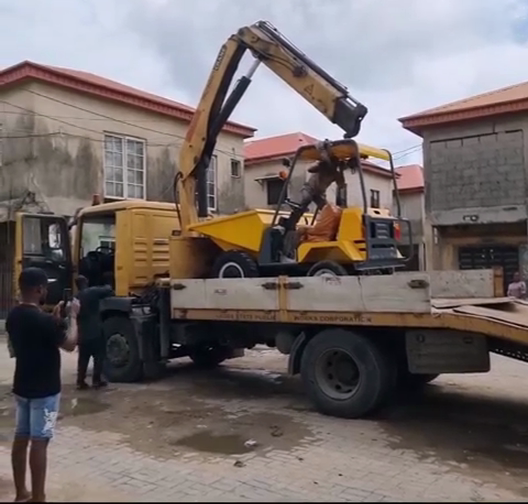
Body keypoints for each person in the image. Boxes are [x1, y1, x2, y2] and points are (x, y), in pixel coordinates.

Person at [7, 267, 79, 503]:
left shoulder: (14, 316)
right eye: (44, 287)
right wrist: (73, 318)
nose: (46, 290)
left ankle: (21, 493)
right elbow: (69, 344)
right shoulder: (44, 321)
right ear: (39, 290)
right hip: (46, 393)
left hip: (22, 388)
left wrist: (55, 320)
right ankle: (39, 497)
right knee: (40, 441)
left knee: (21, 438)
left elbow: (26, 342)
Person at [75, 274, 114, 390]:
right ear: (86, 282)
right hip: (95, 331)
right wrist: (108, 281)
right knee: (99, 357)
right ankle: (96, 381)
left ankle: (80, 381)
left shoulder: (76, 297)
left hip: (82, 333)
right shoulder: (92, 292)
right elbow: (108, 289)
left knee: (83, 358)